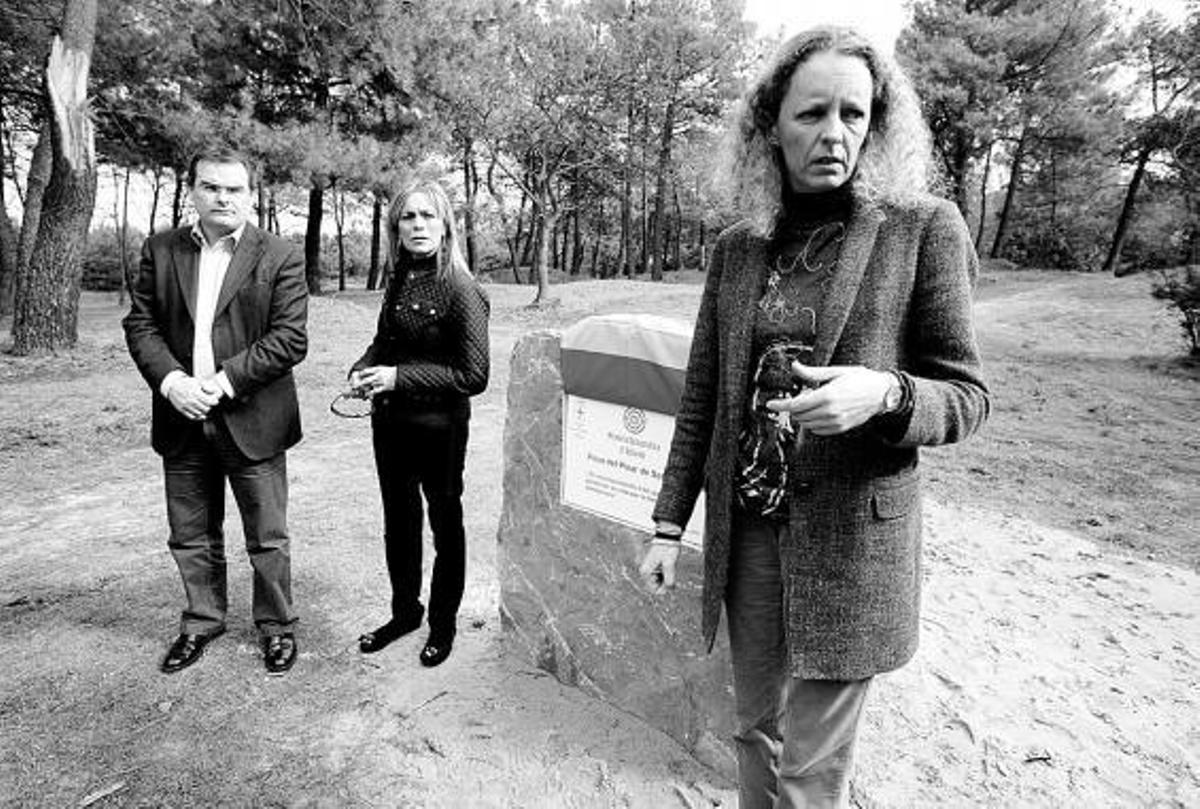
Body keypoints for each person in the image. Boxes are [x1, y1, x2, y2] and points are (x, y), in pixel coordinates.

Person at [639, 26, 990, 808]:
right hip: (749, 531)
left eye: (854, 113)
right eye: (812, 113)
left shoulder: (923, 228)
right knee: (753, 728)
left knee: (811, 768)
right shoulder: (739, 248)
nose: (835, 133)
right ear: (771, 125)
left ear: (877, 123)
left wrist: (887, 393)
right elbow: (703, 397)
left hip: (851, 543)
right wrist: (667, 524)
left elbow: (967, 394)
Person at [123, 148, 308, 676]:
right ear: (193, 191)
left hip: (253, 418)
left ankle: (277, 626)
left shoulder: (280, 255)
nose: (222, 198)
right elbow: (141, 324)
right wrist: (173, 383)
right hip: (180, 415)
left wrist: (222, 384)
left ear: (251, 195)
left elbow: (289, 338)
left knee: (267, 536)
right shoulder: (161, 249)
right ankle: (202, 620)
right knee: (190, 532)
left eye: (233, 189)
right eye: (211, 187)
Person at [349, 179, 489, 668]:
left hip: (440, 428)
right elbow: (383, 341)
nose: (418, 225)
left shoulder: (462, 288)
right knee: (399, 522)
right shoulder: (400, 277)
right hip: (391, 425)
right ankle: (405, 612)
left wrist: (397, 377)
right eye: (408, 217)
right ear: (396, 227)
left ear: (445, 224)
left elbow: (474, 376)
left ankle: (442, 624)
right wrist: (364, 369)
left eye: (428, 215)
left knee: (444, 524)